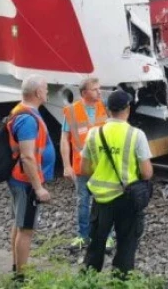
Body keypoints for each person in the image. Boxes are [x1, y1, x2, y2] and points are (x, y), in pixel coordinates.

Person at [82, 90, 153, 275]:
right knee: (126, 245)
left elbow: (85, 169)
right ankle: (120, 280)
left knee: (96, 243)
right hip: (127, 198)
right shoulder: (136, 135)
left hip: (101, 199)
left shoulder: (93, 133)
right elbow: (146, 173)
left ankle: (89, 281)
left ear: (107, 109)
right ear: (128, 109)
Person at [6, 74, 55, 279]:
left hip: (18, 178)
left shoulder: (22, 111)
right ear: (37, 92)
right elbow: (27, 156)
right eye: (45, 88)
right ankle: (21, 277)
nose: (47, 92)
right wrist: (38, 188)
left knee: (19, 224)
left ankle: (17, 267)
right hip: (26, 181)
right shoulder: (27, 119)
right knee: (25, 228)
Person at [60, 77, 111, 252]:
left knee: (104, 201)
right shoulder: (72, 112)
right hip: (82, 167)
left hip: (103, 165)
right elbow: (65, 140)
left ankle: (106, 237)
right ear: (84, 93)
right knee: (83, 202)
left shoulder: (104, 107)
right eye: (95, 89)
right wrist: (66, 165)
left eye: (99, 88)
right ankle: (83, 236)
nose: (99, 92)